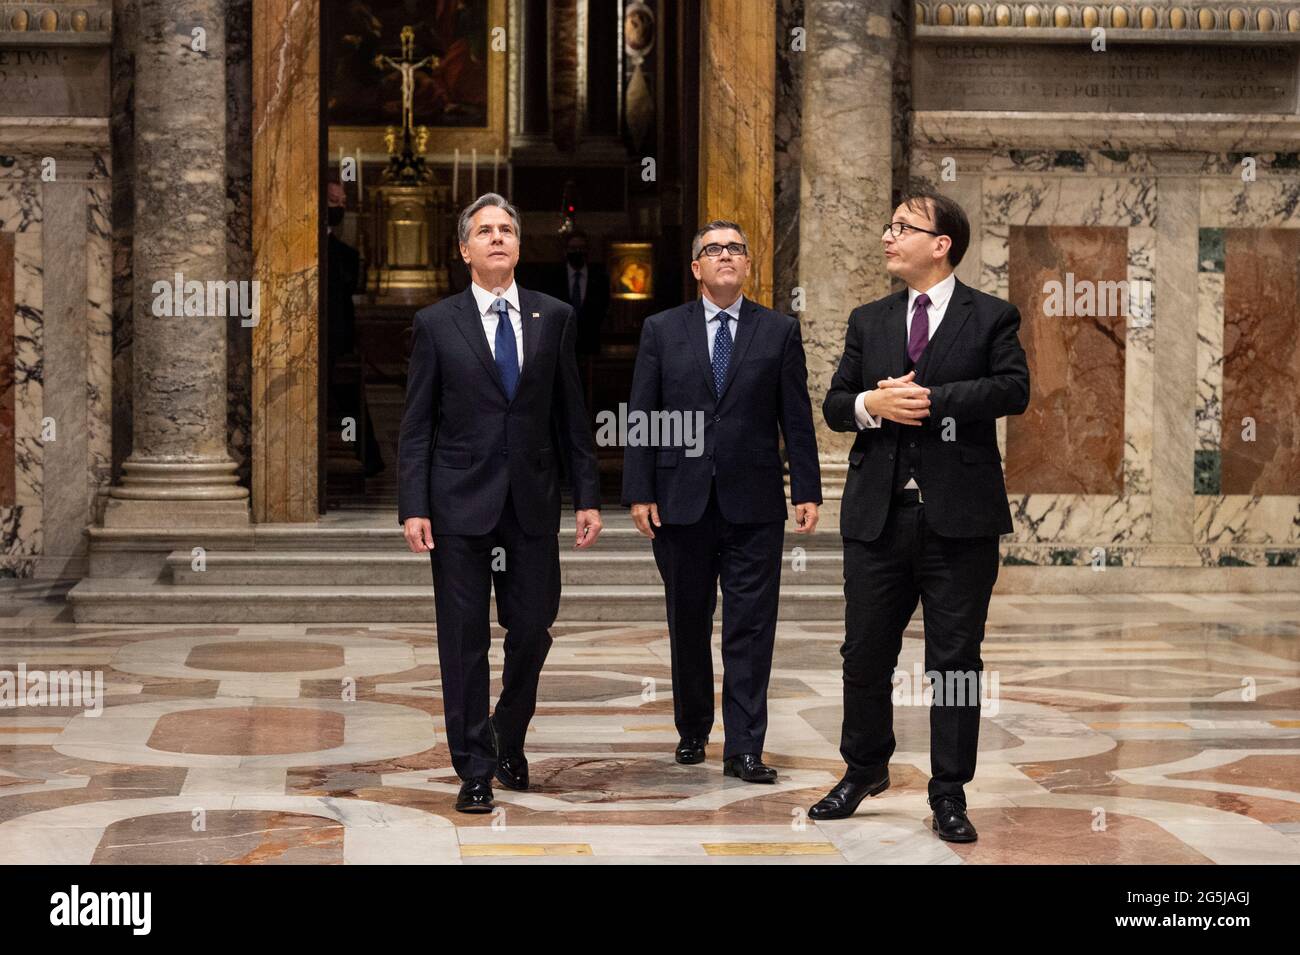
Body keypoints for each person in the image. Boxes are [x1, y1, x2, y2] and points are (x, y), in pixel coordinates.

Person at [808, 192, 1029, 842]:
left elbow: (1013, 388)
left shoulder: (990, 316)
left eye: (904, 227)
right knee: (864, 653)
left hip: (960, 521)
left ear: (942, 244)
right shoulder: (868, 319)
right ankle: (863, 767)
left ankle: (950, 792)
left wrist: (933, 400)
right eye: (888, 225)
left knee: (955, 661)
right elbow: (835, 404)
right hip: (879, 517)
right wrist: (875, 403)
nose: (888, 235)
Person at [397, 193, 603, 814]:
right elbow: (416, 425)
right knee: (462, 638)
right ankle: (474, 769)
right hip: (458, 502)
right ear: (464, 249)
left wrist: (587, 496)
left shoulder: (554, 316)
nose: (496, 238)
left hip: (532, 502)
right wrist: (414, 504)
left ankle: (506, 729)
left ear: (519, 245)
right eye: (484, 231)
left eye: (507, 229)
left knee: (533, 628)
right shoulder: (437, 323)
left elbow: (573, 413)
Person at [622, 219, 822, 783]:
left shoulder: (778, 330)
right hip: (680, 501)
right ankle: (692, 729)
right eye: (714, 249)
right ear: (696, 267)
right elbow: (643, 415)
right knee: (688, 622)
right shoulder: (662, 329)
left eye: (736, 248)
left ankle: (745, 747)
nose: (726, 256)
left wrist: (806, 487)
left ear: (749, 263)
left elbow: (796, 417)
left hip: (754, 502)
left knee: (751, 626)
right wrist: (639, 489)